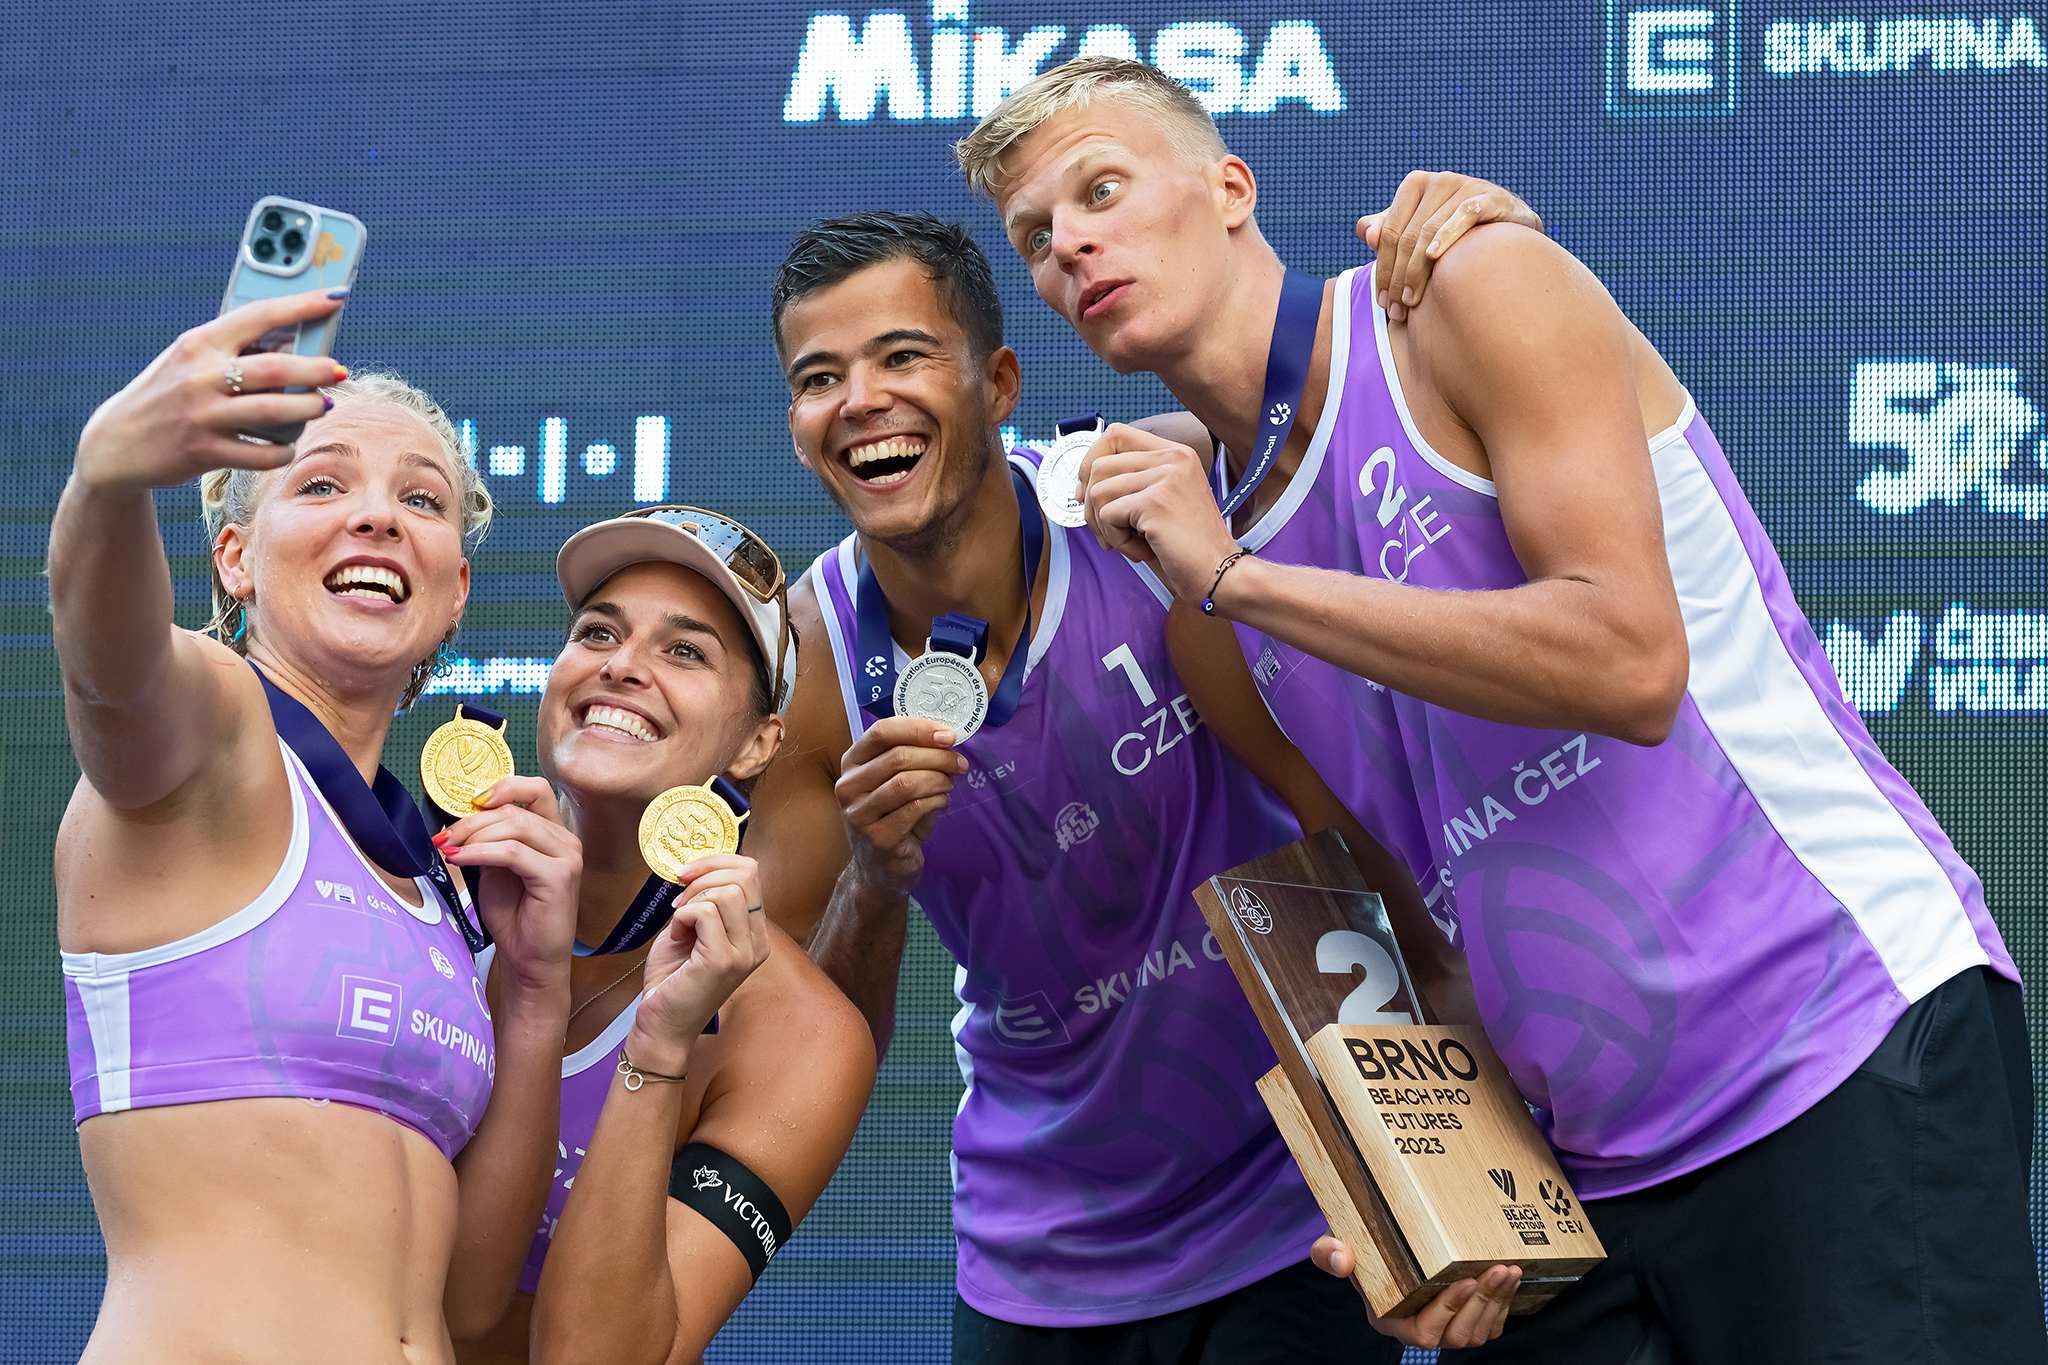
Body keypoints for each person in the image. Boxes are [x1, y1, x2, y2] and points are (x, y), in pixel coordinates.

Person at [960, 55, 2041, 1363]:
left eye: (1102, 190)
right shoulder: (1198, 568)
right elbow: (1406, 928)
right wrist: (1437, 1201)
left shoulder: (1461, 291)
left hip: (1832, 1051)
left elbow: (1626, 662)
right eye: (1036, 236)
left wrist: (1243, 580)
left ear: (1231, 188)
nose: (1072, 244)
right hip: (1576, 1176)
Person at [747, 193, 1529, 1364]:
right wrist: (872, 876)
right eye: (819, 377)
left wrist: (1473, 245)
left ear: (997, 385)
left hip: (1302, 1195)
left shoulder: (1157, 490)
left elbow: (1380, 402)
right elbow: (811, 1043)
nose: (859, 399)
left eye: (901, 356)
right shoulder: (809, 666)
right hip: (1045, 1253)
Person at [50, 290, 578, 1363]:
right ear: (235, 558)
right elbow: (112, 675)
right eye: (323, 483)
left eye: (420, 499)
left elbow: (473, 1299)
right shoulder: (211, 730)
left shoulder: (437, 885)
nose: (378, 517)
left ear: (455, 591)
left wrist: (532, 991)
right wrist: (108, 480)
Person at [457, 505, 875, 1364]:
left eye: (684, 651)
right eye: (597, 632)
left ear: (758, 742)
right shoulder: (430, 896)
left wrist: (658, 1047)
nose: (621, 665)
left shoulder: (801, 1032)